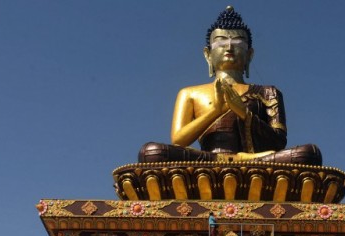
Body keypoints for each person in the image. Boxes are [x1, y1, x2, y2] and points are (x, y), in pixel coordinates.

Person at [137, 6, 322, 166]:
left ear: (249, 54)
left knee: (307, 154)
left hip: (255, 160)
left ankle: (243, 164)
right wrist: (216, 110)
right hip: (209, 160)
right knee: (152, 152)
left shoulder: (269, 92)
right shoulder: (190, 93)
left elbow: (278, 142)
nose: (229, 47)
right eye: (221, 42)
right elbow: (179, 140)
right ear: (208, 54)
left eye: (238, 42)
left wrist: (243, 113)